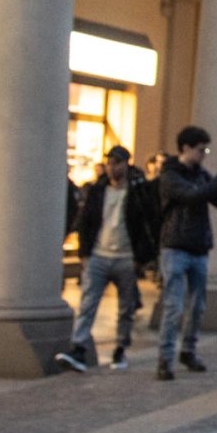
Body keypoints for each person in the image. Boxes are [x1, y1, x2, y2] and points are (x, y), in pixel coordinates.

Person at [155, 127, 217, 383]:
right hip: (175, 246)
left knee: (198, 307)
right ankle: (165, 359)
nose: (204, 154)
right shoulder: (170, 174)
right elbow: (192, 196)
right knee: (173, 306)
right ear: (185, 148)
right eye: (201, 149)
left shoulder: (201, 174)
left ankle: (188, 351)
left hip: (198, 246)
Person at [61, 146, 160, 373]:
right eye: (109, 163)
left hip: (126, 257)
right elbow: (86, 222)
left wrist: (142, 258)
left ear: (126, 164)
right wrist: (85, 253)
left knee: (126, 308)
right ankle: (78, 347)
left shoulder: (137, 191)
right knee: (88, 303)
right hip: (99, 255)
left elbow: (149, 221)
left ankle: (120, 347)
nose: (112, 167)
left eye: (117, 163)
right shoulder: (98, 190)